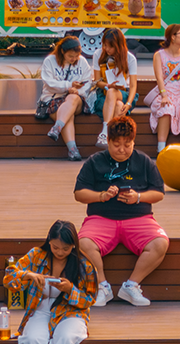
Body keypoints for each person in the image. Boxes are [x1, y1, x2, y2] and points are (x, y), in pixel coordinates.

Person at [74, 115, 169, 308]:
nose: (122, 150)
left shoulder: (144, 161)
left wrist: (138, 197)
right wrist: (101, 196)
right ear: (108, 141)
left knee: (160, 243)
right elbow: (79, 193)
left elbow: (159, 193)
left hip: (139, 217)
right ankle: (102, 286)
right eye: (117, 145)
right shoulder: (94, 161)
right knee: (83, 243)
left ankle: (131, 285)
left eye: (127, 145)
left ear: (134, 142)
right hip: (101, 218)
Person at [3, 220, 97, 344]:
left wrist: (70, 290)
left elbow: (90, 299)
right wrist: (28, 275)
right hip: (39, 310)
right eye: (55, 247)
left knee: (66, 337)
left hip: (71, 311)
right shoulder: (36, 255)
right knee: (33, 339)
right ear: (49, 241)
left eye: (66, 249)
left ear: (74, 245)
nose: (60, 252)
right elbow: (9, 278)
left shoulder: (84, 265)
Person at [38, 37, 93, 161]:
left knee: (72, 99)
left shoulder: (82, 62)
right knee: (68, 114)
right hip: (54, 98)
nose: (74, 59)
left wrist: (77, 91)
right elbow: (49, 82)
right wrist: (68, 86)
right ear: (62, 52)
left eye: (76, 56)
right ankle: (73, 150)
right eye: (70, 56)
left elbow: (88, 82)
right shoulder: (50, 61)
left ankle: (57, 128)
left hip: (76, 99)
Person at [149, 24, 180, 152]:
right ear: (173, 37)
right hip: (166, 92)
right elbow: (159, 78)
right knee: (166, 108)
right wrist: (164, 95)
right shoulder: (159, 55)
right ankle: (161, 148)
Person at [91, 29, 139, 147]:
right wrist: (108, 86)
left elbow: (133, 85)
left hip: (124, 94)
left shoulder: (129, 58)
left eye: (110, 46)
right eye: (104, 45)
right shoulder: (98, 54)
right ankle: (113, 143)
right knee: (118, 105)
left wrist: (128, 103)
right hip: (104, 94)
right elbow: (97, 82)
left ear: (118, 45)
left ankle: (104, 132)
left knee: (114, 93)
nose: (106, 49)